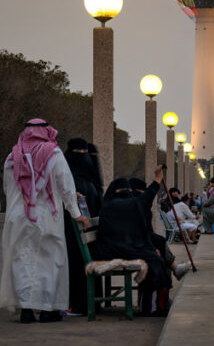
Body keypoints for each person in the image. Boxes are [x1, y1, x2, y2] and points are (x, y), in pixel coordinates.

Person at [0, 119, 89, 323]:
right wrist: (76, 213)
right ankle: (47, 310)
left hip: (19, 217)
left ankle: (26, 310)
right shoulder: (53, 153)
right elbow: (66, 186)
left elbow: (7, 188)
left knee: (22, 261)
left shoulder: (13, 156)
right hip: (47, 216)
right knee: (49, 262)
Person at [92, 169, 175, 316]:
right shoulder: (123, 205)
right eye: (125, 190)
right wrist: (157, 179)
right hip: (113, 251)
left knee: (155, 255)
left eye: (129, 190)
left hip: (116, 248)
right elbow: (146, 197)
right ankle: (150, 307)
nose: (128, 193)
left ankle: (154, 304)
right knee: (154, 260)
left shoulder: (110, 205)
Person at [63, 137, 103, 317]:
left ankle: (78, 304)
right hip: (89, 236)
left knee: (75, 263)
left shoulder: (70, 179)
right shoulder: (92, 181)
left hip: (74, 235)